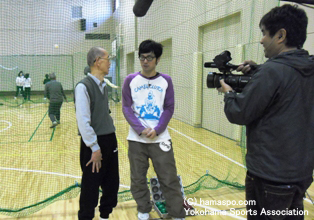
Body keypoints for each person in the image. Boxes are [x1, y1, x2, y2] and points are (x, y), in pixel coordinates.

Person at [218, 4, 314, 220]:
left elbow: (239, 113)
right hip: (301, 174)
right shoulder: (307, 67)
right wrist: (259, 69)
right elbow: (289, 81)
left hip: (269, 177)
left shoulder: (272, 71)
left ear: (280, 35)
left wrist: (229, 93)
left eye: (264, 33)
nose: (261, 40)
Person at [122, 40, 185, 220]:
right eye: (142, 57)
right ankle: (143, 209)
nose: (145, 61)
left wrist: (157, 129)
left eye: (149, 57)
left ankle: (177, 213)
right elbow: (126, 108)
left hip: (161, 139)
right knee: (137, 178)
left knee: (169, 178)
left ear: (157, 59)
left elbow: (169, 107)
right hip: (136, 140)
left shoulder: (166, 80)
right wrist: (140, 129)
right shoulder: (130, 80)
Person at [75, 47, 119, 220]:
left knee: (111, 184)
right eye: (108, 58)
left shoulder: (104, 85)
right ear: (97, 61)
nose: (110, 62)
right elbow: (83, 122)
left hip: (110, 140)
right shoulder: (83, 87)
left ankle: (105, 216)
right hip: (94, 144)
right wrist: (94, 147)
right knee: (90, 188)